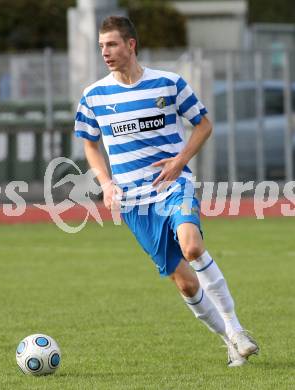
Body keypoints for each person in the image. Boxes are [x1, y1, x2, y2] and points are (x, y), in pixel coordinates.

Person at [74, 15, 259, 367]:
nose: (105, 52)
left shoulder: (169, 84)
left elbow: (203, 125)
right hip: (133, 203)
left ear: (131, 44)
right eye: (101, 47)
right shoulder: (94, 96)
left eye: (111, 44)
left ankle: (237, 330)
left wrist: (179, 161)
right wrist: (106, 183)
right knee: (186, 285)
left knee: (192, 246)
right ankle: (229, 342)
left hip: (174, 185)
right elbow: (89, 144)